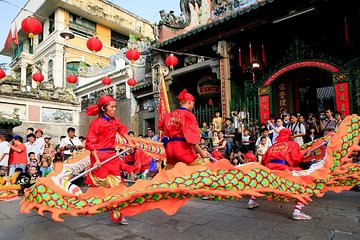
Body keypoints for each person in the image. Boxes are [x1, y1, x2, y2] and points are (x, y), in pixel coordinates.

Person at [85, 95, 134, 225]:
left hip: (112, 157)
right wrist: (96, 160)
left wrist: (129, 141)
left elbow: (122, 131)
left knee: (117, 186)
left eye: (115, 107)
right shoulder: (96, 123)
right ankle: (98, 203)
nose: (114, 109)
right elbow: (91, 144)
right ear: (103, 108)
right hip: (100, 157)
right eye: (112, 107)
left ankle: (119, 213)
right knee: (101, 185)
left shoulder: (115, 121)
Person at [247, 128, 311, 220]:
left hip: (269, 168)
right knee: (303, 184)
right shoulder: (292, 144)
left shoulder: (273, 146)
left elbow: (264, 158)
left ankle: (251, 202)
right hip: (283, 168)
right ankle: (297, 212)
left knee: (262, 183)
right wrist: (305, 157)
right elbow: (295, 158)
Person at [158, 89, 207, 169]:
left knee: (172, 177)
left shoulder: (169, 115)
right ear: (189, 102)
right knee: (200, 171)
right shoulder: (188, 115)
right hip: (182, 149)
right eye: (193, 104)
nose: (193, 106)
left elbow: (161, 126)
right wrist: (201, 151)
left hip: (170, 150)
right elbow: (191, 137)